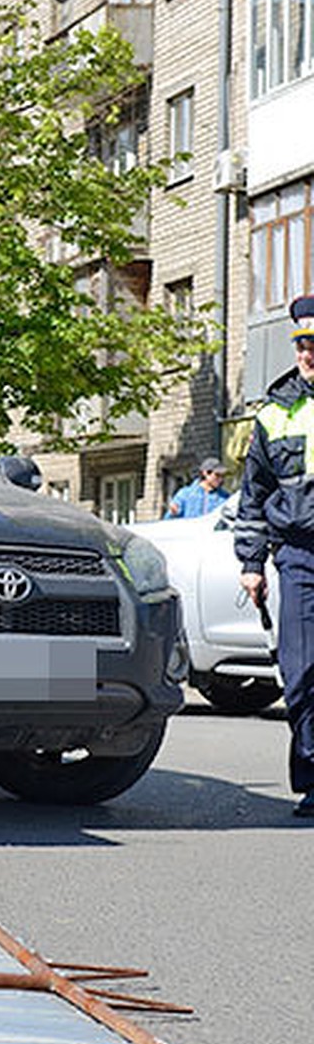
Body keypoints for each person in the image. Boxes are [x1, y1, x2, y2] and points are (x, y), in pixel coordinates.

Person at [236, 294, 314, 816]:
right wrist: (250, 562)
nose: (309, 354)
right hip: (300, 555)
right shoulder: (275, 409)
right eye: (304, 344)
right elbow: (254, 492)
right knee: (303, 668)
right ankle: (312, 777)